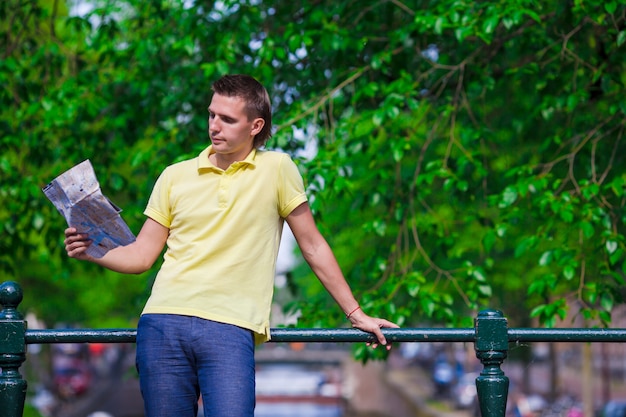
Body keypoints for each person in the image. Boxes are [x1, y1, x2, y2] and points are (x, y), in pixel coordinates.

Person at [64, 74, 399, 417]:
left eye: (227, 119)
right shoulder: (174, 175)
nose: (214, 126)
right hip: (163, 323)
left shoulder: (278, 169)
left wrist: (355, 314)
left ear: (256, 125)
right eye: (212, 115)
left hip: (229, 327)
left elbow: (312, 246)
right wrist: (94, 249)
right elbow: (141, 256)